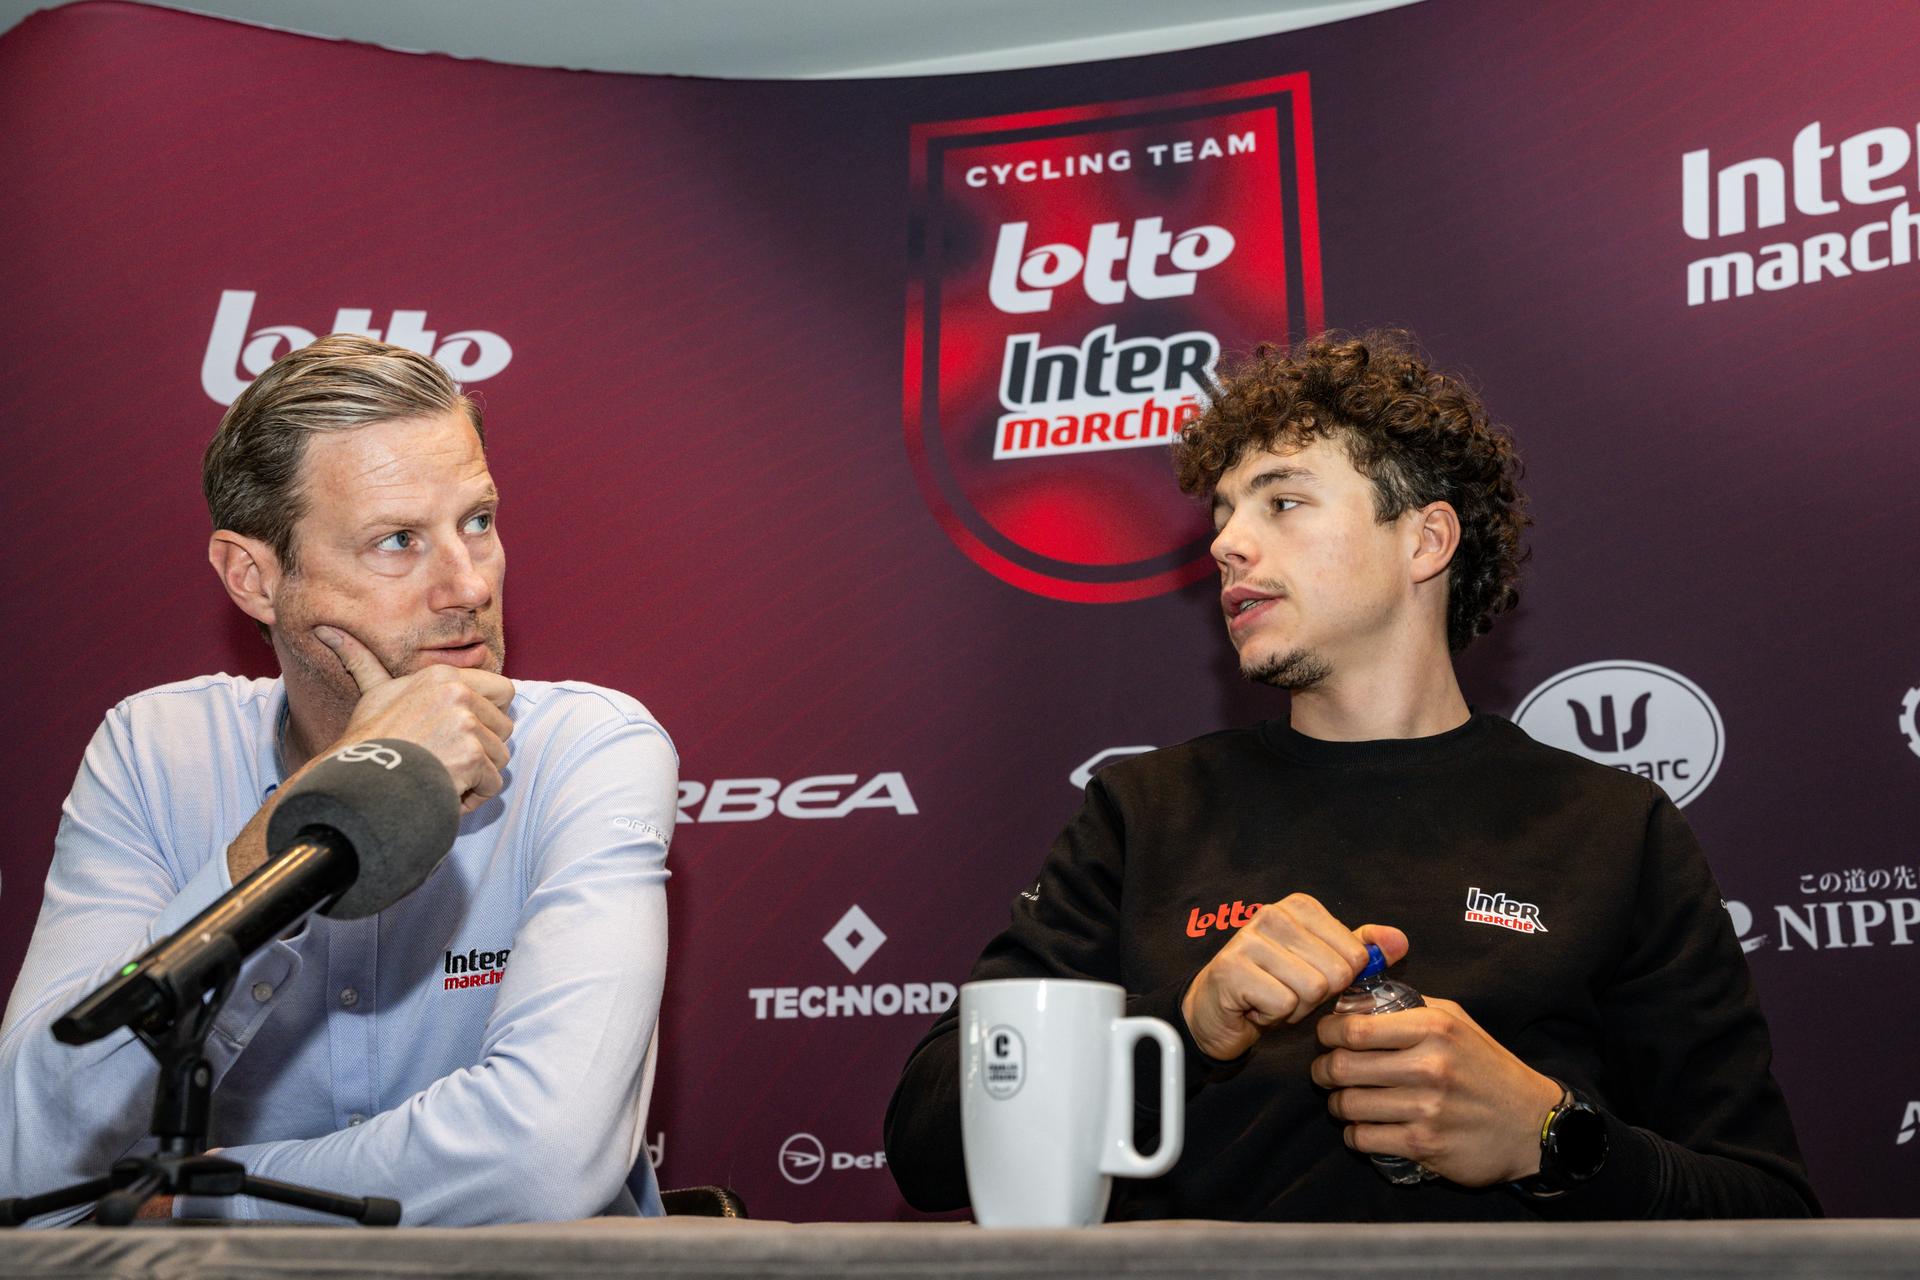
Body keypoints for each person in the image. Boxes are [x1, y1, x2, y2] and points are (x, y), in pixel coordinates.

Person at [884, 331, 1818, 1220]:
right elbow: (928, 1143)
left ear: (1426, 541)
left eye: (1281, 502)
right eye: (1224, 513)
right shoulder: (1145, 814)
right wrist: (1184, 1025)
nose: (1227, 544)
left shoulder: (1613, 828)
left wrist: (1545, 1132)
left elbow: (1769, 1212)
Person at [0, 335, 675, 1225]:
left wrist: (203, 1204)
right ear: (253, 576)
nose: (468, 584)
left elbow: (545, 1159)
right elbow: (26, 1160)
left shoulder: (588, 748)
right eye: (397, 541)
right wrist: (328, 801)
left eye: (478, 520)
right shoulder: (156, 754)